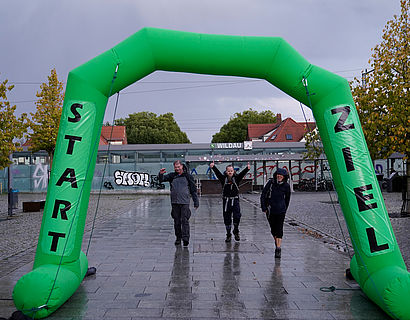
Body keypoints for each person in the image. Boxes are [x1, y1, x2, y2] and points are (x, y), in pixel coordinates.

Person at [158, 160, 199, 247]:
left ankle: (185, 239)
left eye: (178, 167)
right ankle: (178, 238)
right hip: (175, 202)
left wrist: (196, 202)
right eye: (175, 167)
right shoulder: (172, 176)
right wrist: (160, 174)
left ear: (182, 166)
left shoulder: (188, 176)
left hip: (184, 202)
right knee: (176, 221)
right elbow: (161, 180)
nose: (177, 168)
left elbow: (193, 190)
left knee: (184, 221)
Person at [210, 161, 251, 242]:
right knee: (227, 218)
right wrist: (213, 167)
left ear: (234, 171)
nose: (230, 172)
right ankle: (228, 234)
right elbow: (217, 173)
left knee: (237, 216)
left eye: (231, 171)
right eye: (228, 171)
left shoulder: (236, 178)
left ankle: (236, 230)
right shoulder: (223, 179)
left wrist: (247, 168)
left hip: (235, 200)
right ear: (226, 172)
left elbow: (242, 174)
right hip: (226, 201)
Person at [260, 168, 291, 258]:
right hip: (270, 210)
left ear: (284, 177)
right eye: (278, 174)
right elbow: (263, 194)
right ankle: (277, 241)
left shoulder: (286, 186)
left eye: (281, 175)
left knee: (279, 228)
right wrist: (264, 207)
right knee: (273, 229)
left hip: (281, 210)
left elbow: (287, 198)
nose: (279, 176)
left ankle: (278, 248)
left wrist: (285, 208)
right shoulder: (271, 183)